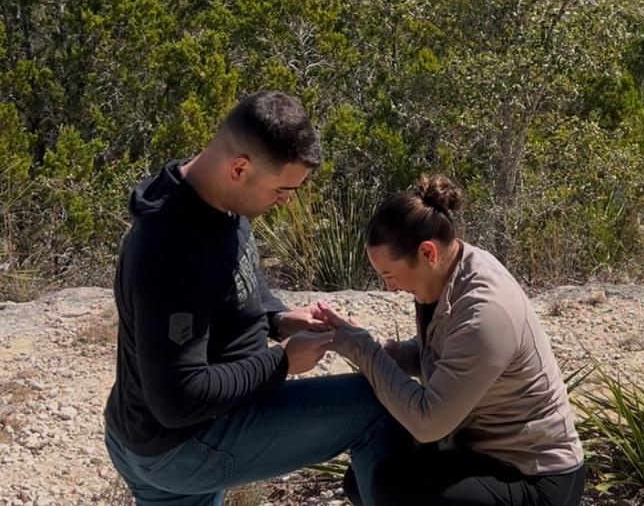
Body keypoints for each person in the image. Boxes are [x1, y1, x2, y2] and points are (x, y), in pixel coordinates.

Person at [103, 90, 405, 506]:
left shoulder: (210, 194)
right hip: (184, 445)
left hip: (148, 439)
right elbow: (179, 399)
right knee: (377, 407)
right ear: (239, 168)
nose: (285, 201)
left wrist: (279, 319)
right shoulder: (172, 251)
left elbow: (235, 277)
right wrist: (282, 361)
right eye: (281, 188)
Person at [314, 174, 585, 506]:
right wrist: (389, 351)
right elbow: (440, 355)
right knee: (363, 479)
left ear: (427, 252)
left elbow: (429, 423)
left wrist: (364, 350)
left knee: (392, 488)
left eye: (389, 275)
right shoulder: (446, 272)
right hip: (478, 453)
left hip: (534, 478)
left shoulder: (485, 311)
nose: (390, 288)